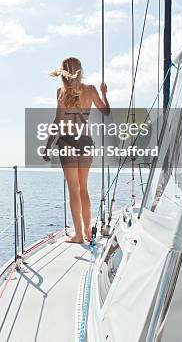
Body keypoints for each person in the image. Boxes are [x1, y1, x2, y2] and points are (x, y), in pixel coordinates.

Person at [44, 57, 110, 243]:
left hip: (67, 142)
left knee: (73, 190)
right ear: (80, 70)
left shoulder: (61, 92)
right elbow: (106, 111)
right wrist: (104, 93)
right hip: (86, 141)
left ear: (63, 72)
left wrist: (48, 146)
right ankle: (88, 233)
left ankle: (79, 235)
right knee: (83, 189)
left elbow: (57, 122)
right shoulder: (90, 90)